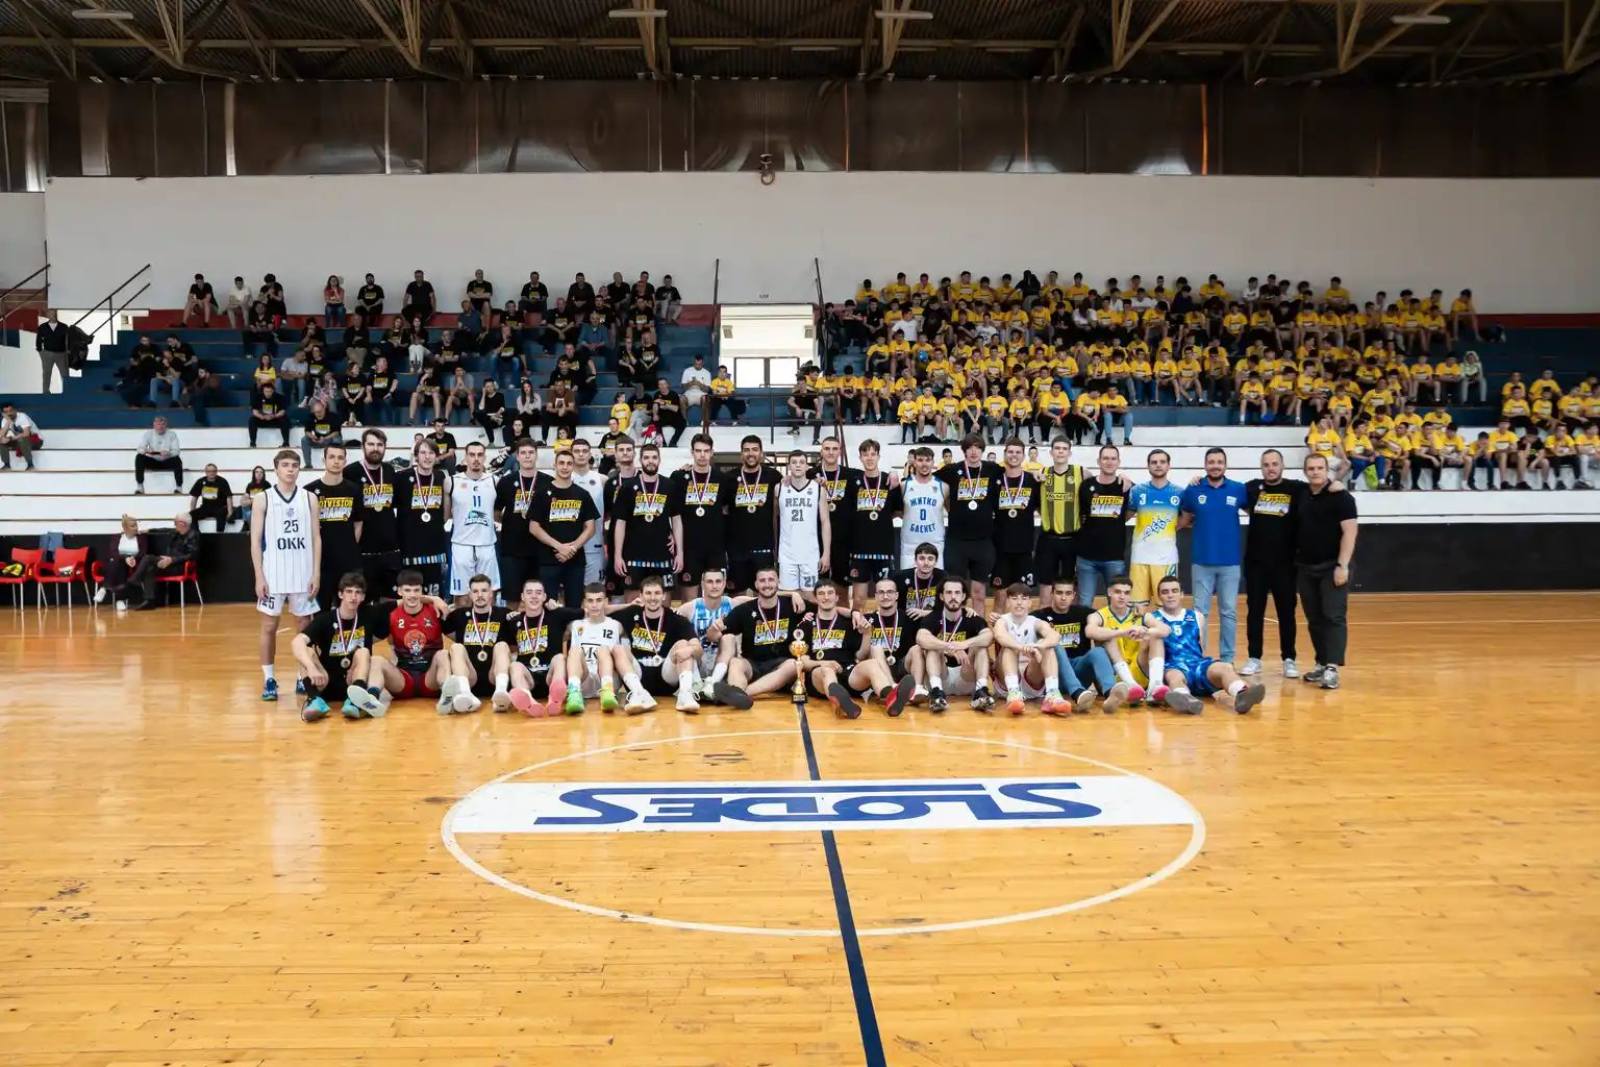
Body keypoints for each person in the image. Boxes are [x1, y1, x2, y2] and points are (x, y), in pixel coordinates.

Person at [250, 449, 321, 703]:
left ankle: (303, 675)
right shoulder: (263, 499)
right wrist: (259, 576)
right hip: (274, 574)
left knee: (304, 627)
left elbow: (316, 538)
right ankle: (269, 678)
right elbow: (255, 541)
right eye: (286, 465)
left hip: (303, 572)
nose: (290, 469)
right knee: (269, 627)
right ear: (276, 468)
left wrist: (316, 572)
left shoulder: (309, 498)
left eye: (294, 465)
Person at [795, 579, 915, 718]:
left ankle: (890, 697)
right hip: (819, 675)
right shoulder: (806, 625)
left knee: (871, 664)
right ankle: (842, 702)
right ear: (815, 598)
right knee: (826, 671)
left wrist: (867, 634)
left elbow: (860, 655)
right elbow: (803, 661)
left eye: (830, 593)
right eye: (821, 593)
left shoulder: (850, 622)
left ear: (837, 597)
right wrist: (823, 663)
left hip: (848, 671)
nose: (826, 597)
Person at [1149, 576, 1266, 714]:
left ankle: (1242, 694)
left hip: (1197, 665)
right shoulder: (1153, 618)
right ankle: (1186, 700)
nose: (1170, 595)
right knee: (1174, 677)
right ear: (1159, 596)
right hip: (1173, 666)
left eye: (1174, 591)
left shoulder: (1196, 616)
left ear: (1182, 594)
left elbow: (1201, 645)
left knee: (1224, 667)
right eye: (1165, 592)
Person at [291, 572, 393, 722]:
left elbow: (406, 600)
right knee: (305, 651)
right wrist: (311, 668)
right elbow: (297, 642)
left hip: (353, 681)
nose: (353, 597)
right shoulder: (325, 619)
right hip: (325, 680)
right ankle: (315, 699)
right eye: (349, 592)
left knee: (363, 652)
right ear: (340, 594)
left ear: (363, 597)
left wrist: (429, 599)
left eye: (358, 592)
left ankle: (354, 701)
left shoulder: (369, 614)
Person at [1179, 447, 1247, 664]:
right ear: (1205, 465)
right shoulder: (1193, 490)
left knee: (1228, 612)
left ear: (1225, 465)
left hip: (1230, 562)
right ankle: (1199, 657)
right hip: (1202, 561)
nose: (1215, 466)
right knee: (1200, 613)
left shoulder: (1238, 489)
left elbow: (1255, 511)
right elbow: (1184, 518)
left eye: (1219, 462)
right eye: (1211, 462)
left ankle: (1227, 659)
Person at [1296, 454, 1358, 691]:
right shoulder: (1301, 494)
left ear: (1327, 470)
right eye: (1311, 468)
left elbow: (1350, 532)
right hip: (1306, 567)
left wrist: (1342, 565)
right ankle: (1321, 663)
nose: (1315, 472)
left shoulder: (1341, 497)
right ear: (1305, 471)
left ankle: (1332, 668)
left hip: (1333, 567)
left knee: (1333, 616)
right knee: (1314, 619)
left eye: (1319, 468)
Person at [1241, 449, 1303, 678]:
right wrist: (1198, 479)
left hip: (1285, 565)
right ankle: (1254, 657)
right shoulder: (1251, 488)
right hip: (1256, 564)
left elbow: (1320, 486)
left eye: (1275, 464)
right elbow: (1225, 487)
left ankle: (1289, 659)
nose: (1271, 468)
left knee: (1286, 613)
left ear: (1282, 465)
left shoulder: (1296, 489)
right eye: (1266, 464)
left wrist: (1335, 483)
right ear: (1261, 467)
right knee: (1254, 612)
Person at [1032, 577, 1133, 713]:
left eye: (1068, 593)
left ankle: (1110, 692)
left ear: (1073, 595)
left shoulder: (1084, 613)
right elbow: (1018, 622)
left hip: (1080, 671)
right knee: (1055, 644)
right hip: (1054, 675)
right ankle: (1076, 693)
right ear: (1052, 594)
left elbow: (1109, 613)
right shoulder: (1039, 616)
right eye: (1059, 593)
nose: (1063, 598)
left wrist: (1133, 608)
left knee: (1098, 651)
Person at [713, 566, 808, 701]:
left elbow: (825, 608)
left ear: (778, 583)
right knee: (735, 662)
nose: (767, 584)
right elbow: (715, 635)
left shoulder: (793, 604)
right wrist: (714, 628)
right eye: (762, 580)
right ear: (756, 584)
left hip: (780, 667)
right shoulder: (744, 610)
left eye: (771, 580)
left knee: (793, 665)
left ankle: (741, 694)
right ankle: (737, 693)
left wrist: (844, 612)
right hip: (752, 665)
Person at [611, 576, 702, 712]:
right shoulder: (630, 614)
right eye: (648, 593)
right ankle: (639, 694)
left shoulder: (676, 619)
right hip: (639, 677)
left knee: (683, 644)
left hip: (667, 676)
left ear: (664, 595)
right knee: (618, 649)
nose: (652, 598)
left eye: (657, 593)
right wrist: (627, 605)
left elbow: (698, 648)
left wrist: (690, 650)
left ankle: (685, 695)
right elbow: (598, 611)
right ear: (641, 596)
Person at [935, 436, 1002, 612]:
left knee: (979, 593)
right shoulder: (951, 470)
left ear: (982, 450)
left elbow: (1013, 472)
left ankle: (978, 625)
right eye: (970, 448)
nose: (973, 452)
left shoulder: (992, 469)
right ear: (964, 450)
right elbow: (927, 479)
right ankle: (956, 626)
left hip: (983, 542)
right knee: (955, 592)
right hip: (957, 542)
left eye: (978, 448)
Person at [676, 567, 758, 709]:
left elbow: (767, 596)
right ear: (702, 584)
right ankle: (694, 686)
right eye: (710, 582)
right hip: (698, 662)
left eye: (718, 581)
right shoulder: (689, 608)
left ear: (724, 583)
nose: (714, 586)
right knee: (685, 644)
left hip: (723, 663)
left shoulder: (735, 603)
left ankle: (712, 684)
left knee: (728, 637)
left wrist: (793, 595)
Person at [495, 577, 578, 717]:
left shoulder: (556, 615)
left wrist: (559, 607)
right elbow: (508, 648)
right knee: (515, 666)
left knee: (560, 658)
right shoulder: (514, 621)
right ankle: (529, 701)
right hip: (528, 679)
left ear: (545, 597)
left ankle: (554, 699)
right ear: (522, 596)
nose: (534, 596)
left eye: (538, 593)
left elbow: (584, 612)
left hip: (550, 676)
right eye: (529, 592)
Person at [1084, 575, 1169, 709]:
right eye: (1118, 592)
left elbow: (1166, 630)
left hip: (1139, 669)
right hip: (1113, 678)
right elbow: (1090, 631)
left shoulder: (1140, 615)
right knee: (1108, 636)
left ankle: (1155, 686)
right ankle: (1129, 684)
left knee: (1155, 636)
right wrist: (1122, 632)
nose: (1122, 597)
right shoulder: (1098, 615)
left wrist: (1145, 632)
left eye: (1126, 593)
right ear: (1109, 592)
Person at [912, 577, 995, 712]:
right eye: (949, 592)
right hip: (942, 674)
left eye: (957, 593)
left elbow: (989, 637)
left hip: (965, 675)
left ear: (963, 596)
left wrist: (964, 644)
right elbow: (920, 638)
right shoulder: (933, 617)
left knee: (980, 647)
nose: (953, 597)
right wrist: (949, 647)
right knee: (932, 647)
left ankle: (981, 691)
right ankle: (936, 693)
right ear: (941, 596)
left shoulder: (972, 618)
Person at [529, 447, 599, 607]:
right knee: (548, 606)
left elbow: (590, 528)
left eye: (569, 463)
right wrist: (560, 547)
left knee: (575, 606)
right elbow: (534, 527)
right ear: (554, 465)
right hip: (548, 560)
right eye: (561, 463)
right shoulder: (541, 493)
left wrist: (572, 548)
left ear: (573, 466)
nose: (565, 467)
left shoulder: (582, 494)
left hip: (575, 561)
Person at [990, 583, 1070, 715]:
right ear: (1008, 602)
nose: (1019, 602)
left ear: (1030, 603)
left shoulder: (1036, 622)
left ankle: (1052, 694)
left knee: (1048, 647)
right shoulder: (1002, 621)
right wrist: (1021, 647)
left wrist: (1038, 646)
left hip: (1031, 678)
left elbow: (1055, 636)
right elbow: (1000, 636)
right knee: (1009, 648)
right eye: (1014, 598)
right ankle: (1014, 694)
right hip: (1007, 682)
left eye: (1024, 598)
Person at [440, 574, 514, 714]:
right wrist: (437, 601)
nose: (480, 595)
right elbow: (444, 629)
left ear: (491, 593)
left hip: (494, 675)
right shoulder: (459, 615)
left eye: (484, 591)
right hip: (470, 677)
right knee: (456, 647)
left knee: (502, 645)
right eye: (475, 591)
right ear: (470, 594)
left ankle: (501, 692)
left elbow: (519, 640)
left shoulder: (505, 614)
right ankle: (465, 694)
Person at [671, 433, 730, 603]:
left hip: (715, 549)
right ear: (692, 452)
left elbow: (727, 509)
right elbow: (673, 513)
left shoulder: (722, 479)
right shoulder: (679, 478)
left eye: (706, 451)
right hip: (689, 548)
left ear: (712, 452)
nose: (702, 455)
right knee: (689, 602)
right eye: (698, 451)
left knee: (715, 598)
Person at [613, 441, 677, 594]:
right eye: (646, 458)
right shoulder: (627, 487)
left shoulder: (669, 485)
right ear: (640, 460)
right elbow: (620, 523)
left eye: (654, 457)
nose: (650, 461)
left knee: (664, 600)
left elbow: (677, 519)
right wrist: (617, 555)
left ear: (659, 460)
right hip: (633, 554)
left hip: (662, 553)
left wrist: (679, 551)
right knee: (633, 601)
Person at [303, 441, 363, 599]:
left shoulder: (354, 489)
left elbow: (358, 523)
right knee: (321, 609)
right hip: (321, 563)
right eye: (331, 457)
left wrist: (349, 546)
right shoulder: (309, 491)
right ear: (324, 460)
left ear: (345, 461)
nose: (336, 461)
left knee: (348, 608)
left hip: (348, 563)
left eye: (340, 458)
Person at [1074, 444, 1133, 605]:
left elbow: (1130, 512)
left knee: (1117, 604)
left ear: (1118, 462)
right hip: (1086, 558)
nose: (1109, 462)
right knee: (1085, 603)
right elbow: (1080, 514)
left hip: (1114, 558)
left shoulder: (1126, 486)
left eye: (1113, 458)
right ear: (1098, 461)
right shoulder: (1086, 486)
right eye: (1105, 458)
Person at [723, 435, 782, 593]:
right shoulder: (729, 478)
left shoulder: (774, 476)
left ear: (761, 453)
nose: (751, 453)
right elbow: (722, 510)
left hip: (764, 548)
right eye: (747, 450)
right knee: (736, 596)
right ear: (741, 454)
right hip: (736, 549)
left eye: (755, 449)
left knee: (764, 593)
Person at [846, 439, 902, 605]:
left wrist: (881, 517)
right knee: (858, 599)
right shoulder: (853, 482)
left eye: (873, 454)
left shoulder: (889, 481)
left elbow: (898, 511)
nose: (869, 458)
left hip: (883, 549)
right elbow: (849, 512)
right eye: (865, 455)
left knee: (886, 598)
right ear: (860, 458)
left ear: (878, 456)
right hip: (859, 550)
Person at [395, 438, 451, 597]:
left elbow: (446, 511)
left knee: (434, 597)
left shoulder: (441, 477)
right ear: (416, 456)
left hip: (434, 546)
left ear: (436, 456)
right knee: (412, 595)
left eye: (431, 453)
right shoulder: (402, 477)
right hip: (410, 547)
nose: (427, 457)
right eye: (423, 453)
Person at [1127, 449, 1182, 611]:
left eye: (1162, 462)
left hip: (1166, 559)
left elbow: (1187, 519)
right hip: (1140, 558)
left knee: (1166, 608)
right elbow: (1124, 517)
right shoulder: (1137, 491)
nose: (1158, 465)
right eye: (1154, 462)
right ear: (1148, 466)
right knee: (1137, 609)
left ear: (1168, 465)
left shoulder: (1179, 492)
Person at [561, 584, 628, 714]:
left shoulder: (616, 625)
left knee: (604, 650)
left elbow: (626, 656)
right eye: (590, 600)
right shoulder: (575, 626)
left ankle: (607, 692)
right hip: (584, 677)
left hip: (609, 678)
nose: (594, 605)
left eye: (599, 600)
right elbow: (564, 652)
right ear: (584, 603)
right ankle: (574, 693)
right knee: (574, 650)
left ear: (606, 602)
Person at [448, 442, 500, 602]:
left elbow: (498, 512)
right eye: (472, 454)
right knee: (462, 596)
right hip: (461, 544)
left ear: (485, 457)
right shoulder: (452, 481)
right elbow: (446, 515)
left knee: (488, 595)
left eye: (479, 455)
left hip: (487, 544)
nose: (476, 459)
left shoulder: (495, 481)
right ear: (465, 457)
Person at [776, 450, 830, 596]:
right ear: (789, 466)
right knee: (789, 597)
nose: (798, 465)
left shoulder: (818, 489)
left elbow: (825, 522)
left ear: (807, 466)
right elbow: (775, 518)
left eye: (801, 462)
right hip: (787, 554)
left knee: (810, 597)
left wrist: (826, 553)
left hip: (810, 554)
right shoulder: (779, 488)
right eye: (794, 462)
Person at [1034, 437, 1084, 593]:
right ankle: (1046, 610)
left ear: (1069, 453)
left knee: (1071, 586)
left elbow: (1101, 481)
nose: (1060, 451)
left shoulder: (1081, 472)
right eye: (1057, 448)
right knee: (1046, 585)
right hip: (1048, 539)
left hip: (1073, 539)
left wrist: (1122, 476)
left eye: (1064, 448)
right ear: (1051, 452)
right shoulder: (1042, 473)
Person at [899, 446, 948, 570]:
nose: (924, 464)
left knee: (935, 582)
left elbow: (951, 510)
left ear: (933, 462)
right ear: (914, 462)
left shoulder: (943, 487)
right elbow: (898, 512)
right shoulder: (904, 486)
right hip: (910, 545)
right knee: (908, 582)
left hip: (935, 544)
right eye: (920, 460)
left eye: (928, 460)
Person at [569, 439, 609, 586]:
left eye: (584, 451)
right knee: (569, 592)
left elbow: (609, 513)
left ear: (590, 454)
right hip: (569, 546)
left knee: (595, 591)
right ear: (571, 454)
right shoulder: (562, 479)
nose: (581, 454)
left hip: (595, 545)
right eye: (577, 451)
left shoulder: (602, 480)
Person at [134, 415, 184, 494]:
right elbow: (139, 449)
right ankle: (140, 487)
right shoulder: (148, 434)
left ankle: (179, 487)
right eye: (158, 424)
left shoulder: (172, 434)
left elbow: (177, 451)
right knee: (139, 457)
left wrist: (169, 453)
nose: (160, 427)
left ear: (166, 425)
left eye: (162, 424)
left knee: (177, 460)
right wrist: (146, 451)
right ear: (154, 425)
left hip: (167, 460)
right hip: (153, 461)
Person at [35, 310, 70, 393]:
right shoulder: (43, 327)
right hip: (47, 353)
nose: (53, 315)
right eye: (50, 313)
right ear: (48, 315)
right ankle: (46, 392)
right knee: (46, 373)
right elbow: (39, 340)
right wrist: (40, 351)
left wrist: (67, 351)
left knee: (64, 373)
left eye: (54, 313)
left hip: (61, 353)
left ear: (56, 314)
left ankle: (68, 391)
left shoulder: (64, 327)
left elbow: (68, 340)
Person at [249, 382, 291, 449]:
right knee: (252, 420)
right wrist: (262, 417)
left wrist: (274, 416)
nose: (268, 393)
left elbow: (282, 412)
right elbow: (255, 412)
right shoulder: (257, 397)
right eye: (266, 391)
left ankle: (286, 443)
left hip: (275, 418)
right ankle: (252, 443)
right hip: (262, 419)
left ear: (273, 391)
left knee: (285, 419)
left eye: (270, 391)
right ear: (263, 391)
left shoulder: (280, 397)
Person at [1, 403, 41, 471]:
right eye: (6, 412)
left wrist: (10, 438)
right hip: (21, 441)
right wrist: (8, 422)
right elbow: (1, 436)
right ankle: (7, 465)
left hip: (36, 440)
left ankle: (30, 465)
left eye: (10, 411)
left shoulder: (22, 416)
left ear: (15, 410)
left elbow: (26, 434)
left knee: (22, 439)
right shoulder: (5, 420)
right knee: (2, 442)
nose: (9, 413)